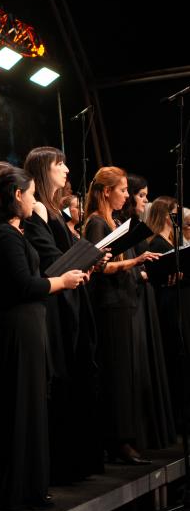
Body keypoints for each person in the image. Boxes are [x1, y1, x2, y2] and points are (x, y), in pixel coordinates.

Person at [0, 167, 85, 510]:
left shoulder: (15, 233)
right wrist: (61, 283)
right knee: (19, 408)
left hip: (28, 327)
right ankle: (15, 489)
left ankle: (30, 486)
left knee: (31, 407)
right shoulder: (4, 236)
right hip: (16, 331)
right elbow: (24, 285)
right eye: (30, 194)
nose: (33, 200)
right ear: (17, 195)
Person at [24, 146, 103, 482]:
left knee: (79, 371)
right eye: (60, 164)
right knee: (64, 376)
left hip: (70, 298)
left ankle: (78, 460)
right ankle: (64, 464)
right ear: (45, 169)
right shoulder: (39, 208)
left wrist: (90, 258)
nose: (67, 170)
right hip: (56, 305)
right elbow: (48, 257)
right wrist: (83, 258)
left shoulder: (55, 209)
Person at [84, 167, 160, 463]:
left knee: (126, 372)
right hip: (110, 304)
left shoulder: (113, 221)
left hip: (124, 300)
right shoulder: (95, 222)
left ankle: (125, 436)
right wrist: (135, 261)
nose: (127, 196)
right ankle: (117, 440)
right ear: (106, 191)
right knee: (116, 373)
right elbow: (99, 267)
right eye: (123, 190)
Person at [116, 177, 176, 448]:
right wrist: (141, 270)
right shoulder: (123, 224)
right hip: (133, 297)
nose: (144, 200)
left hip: (144, 294)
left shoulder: (133, 224)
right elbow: (126, 262)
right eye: (139, 195)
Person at [148, 196, 190, 423]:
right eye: (176, 213)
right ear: (167, 216)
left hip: (177, 300)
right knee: (175, 354)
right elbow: (156, 276)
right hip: (167, 304)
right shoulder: (157, 243)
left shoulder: (171, 240)